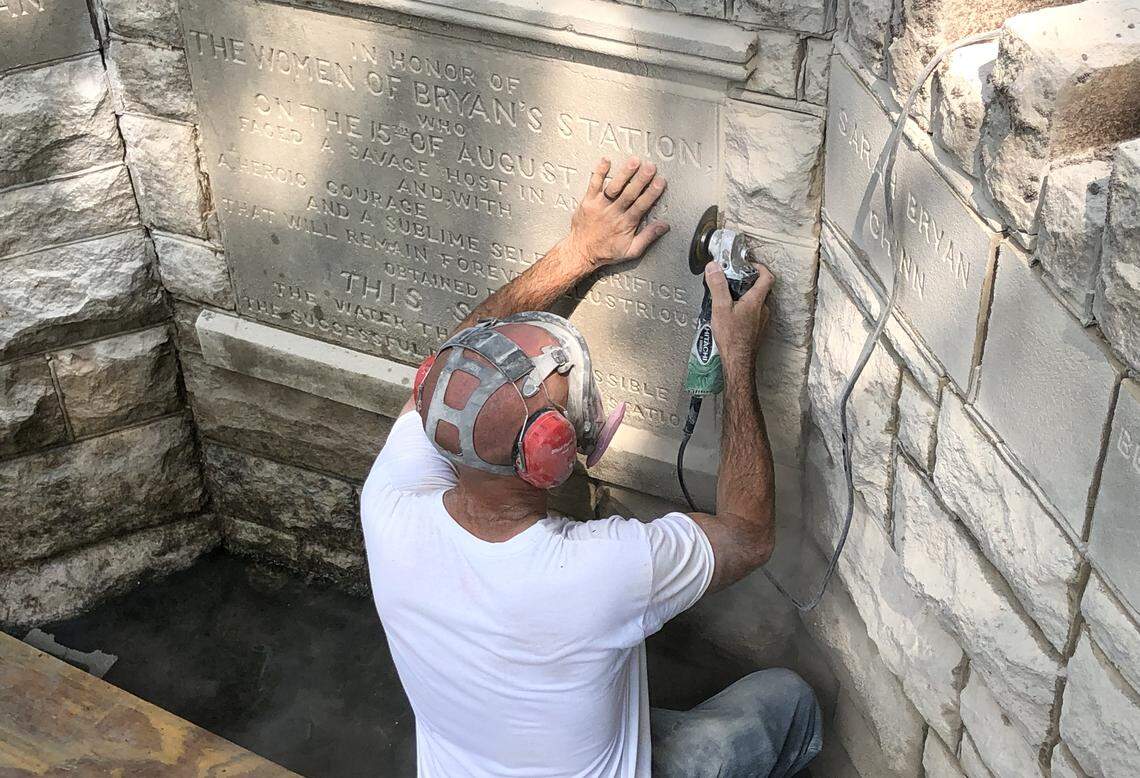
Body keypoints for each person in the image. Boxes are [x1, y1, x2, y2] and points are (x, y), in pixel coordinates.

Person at [360, 156, 822, 777]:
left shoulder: (389, 506)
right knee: (788, 700)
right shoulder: (599, 571)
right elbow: (749, 534)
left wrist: (578, 251)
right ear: (551, 455)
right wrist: (737, 359)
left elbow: (460, 361)